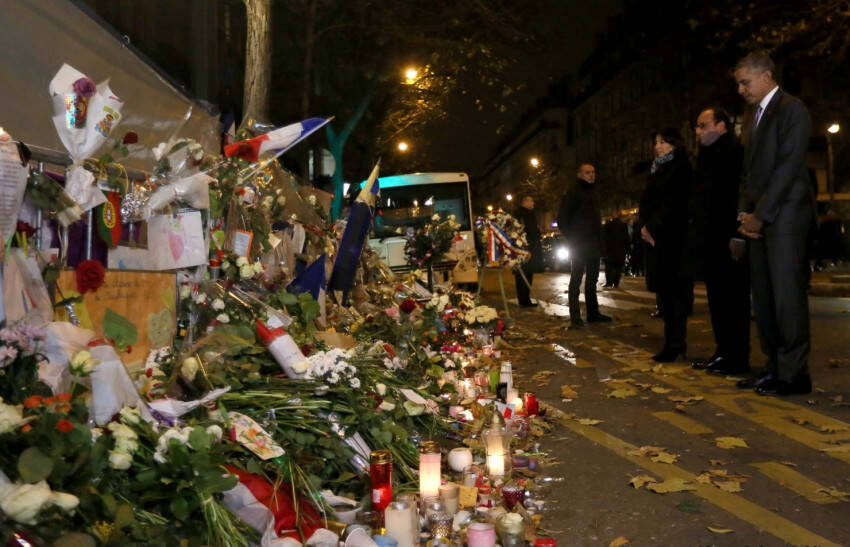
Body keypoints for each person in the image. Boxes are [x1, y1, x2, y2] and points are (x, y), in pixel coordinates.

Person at [733, 51, 815, 396]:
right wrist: (743, 216)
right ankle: (774, 367)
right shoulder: (754, 117)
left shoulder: (791, 109)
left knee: (786, 298)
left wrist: (760, 215)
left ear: (766, 75)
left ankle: (795, 374)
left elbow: (788, 166)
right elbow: (749, 174)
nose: (740, 89)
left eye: (744, 82)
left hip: (785, 218)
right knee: (764, 300)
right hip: (758, 220)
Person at [687, 107, 751, 375]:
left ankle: (736, 356)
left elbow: (741, 194)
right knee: (717, 298)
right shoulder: (706, 157)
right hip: (711, 238)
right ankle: (723, 351)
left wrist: (738, 232)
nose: (698, 131)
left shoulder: (734, 154)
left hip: (728, 236)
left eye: (703, 125)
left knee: (733, 299)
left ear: (722, 125)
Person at [638, 129, 694, 362]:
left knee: (675, 295)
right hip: (659, 238)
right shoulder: (657, 169)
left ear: (674, 144)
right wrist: (644, 226)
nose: (657, 146)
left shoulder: (680, 168)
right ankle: (672, 343)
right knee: (666, 296)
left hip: (673, 239)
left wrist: (652, 226)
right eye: (656, 141)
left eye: (663, 142)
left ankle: (675, 344)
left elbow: (674, 204)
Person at [557, 163, 612, 326]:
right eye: (587, 172)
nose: (591, 175)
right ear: (579, 174)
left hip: (594, 243)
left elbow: (595, 220)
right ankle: (575, 316)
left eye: (593, 172)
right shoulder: (572, 193)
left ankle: (593, 313)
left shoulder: (594, 193)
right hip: (579, 244)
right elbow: (562, 219)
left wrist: (601, 242)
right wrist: (573, 237)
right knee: (576, 279)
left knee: (592, 280)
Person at [514, 195, 542, 307]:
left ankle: (525, 299)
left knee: (528, 274)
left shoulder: (528, 214)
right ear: (524, 202)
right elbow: (525, 231)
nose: (533, 203)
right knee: (523, 275)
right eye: (531, 201)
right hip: (526, 248)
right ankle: (524, 300)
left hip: (529, 247)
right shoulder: (522, 214)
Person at [603, 210, 631, 288]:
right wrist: (627, 249)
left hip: (610, 249)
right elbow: (626, 238)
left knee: (609, 267)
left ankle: (609, 282)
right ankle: (616, 283)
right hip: (620, 249)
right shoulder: (623, 225)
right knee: (618, 267)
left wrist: (604, 248)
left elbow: (604, 237)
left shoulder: (608, 224)